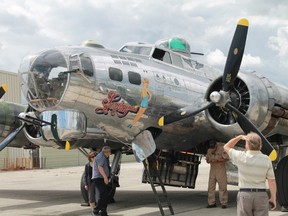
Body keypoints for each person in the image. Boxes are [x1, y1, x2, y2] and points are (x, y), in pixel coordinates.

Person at [223, 132, 277, 216]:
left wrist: (239, 137)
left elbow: (226, 147)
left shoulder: (240, 156)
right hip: (261, 195)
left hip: (245, 195)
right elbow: (272, 181)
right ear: (260, 145)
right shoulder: (266, 159)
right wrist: (273, 198)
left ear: (247, 145)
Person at [206, 140, 229, 209]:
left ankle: (224, 203)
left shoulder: (222, 149)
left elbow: (226, 158)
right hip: (212, 170)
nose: (212, 148)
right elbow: (207, 160)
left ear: (216, 144)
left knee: (222, 187)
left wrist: (217, 159)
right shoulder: (209, 150)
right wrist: (211, 159)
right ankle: (211, 202)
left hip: (220, 169)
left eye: (213, 146)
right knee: (211, 187)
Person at [92, 146, 112, 216]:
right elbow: (100, 167)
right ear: (107, 152)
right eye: (109, 152)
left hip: (101, 178)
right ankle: (96, 210)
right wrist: (105, 178)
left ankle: (103, 212)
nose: (110, 154)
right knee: (104, 194)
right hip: (99, 178)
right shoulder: (101, 157)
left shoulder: (104, 156)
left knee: (105, 195)